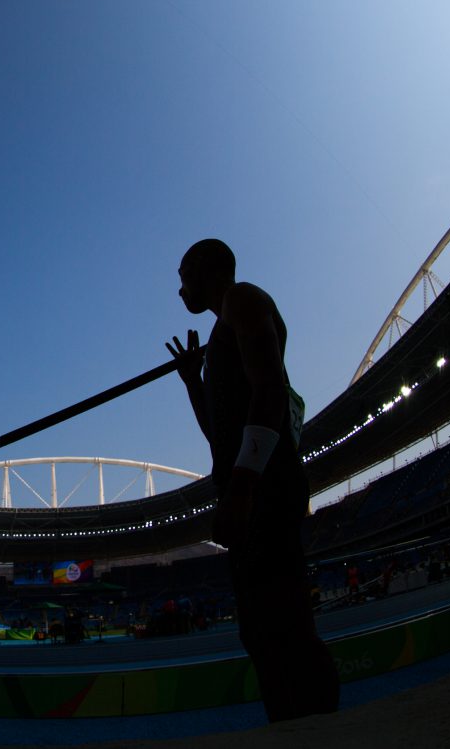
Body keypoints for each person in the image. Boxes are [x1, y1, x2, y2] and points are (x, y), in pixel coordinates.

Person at [166, 238, 339, 722]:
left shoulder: (243, 300)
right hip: (248, 483)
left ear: (208, 270)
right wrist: (193, 382)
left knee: (282, 621)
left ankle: (317, 724)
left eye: (184, 277)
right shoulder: (224, 330)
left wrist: (242, 488)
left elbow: (270, 390)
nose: (180, 291)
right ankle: (291, 720)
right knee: (261, 628)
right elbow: (217, 434)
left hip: (265, 484)